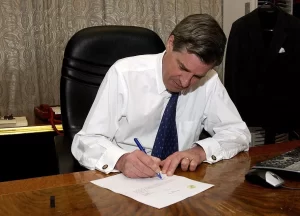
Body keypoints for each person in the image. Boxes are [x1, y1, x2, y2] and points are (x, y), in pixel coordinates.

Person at [71, 14, 251, 178]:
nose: (186, 82)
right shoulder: (124, 74)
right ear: (170, 43)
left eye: (197, 76)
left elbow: (238, 133)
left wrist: (200, 151)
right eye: (183, 68)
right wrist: (121, 159)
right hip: (124, 180)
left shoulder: (209, 81)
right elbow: (85, 141)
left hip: (179, 181)